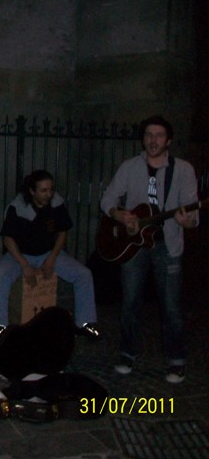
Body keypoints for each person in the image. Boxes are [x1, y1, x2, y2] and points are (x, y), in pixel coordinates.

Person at [100, 115, 198, 384]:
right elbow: (108, 198)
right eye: (149, 135)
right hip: (133, 247)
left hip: (168, 245)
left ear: (169, 140)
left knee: (171, 307)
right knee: (130, 302)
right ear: (143, 139)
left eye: (159, 136)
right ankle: (127, 353)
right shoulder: (130, 167)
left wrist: (186, 219)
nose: (153, 140)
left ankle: (176, 359)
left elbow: (192, 211)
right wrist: (119, 215)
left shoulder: (183, 170)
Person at [0, 170, 101, 341]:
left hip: (48, 252)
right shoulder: (17, 207)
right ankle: (0, 326)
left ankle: (85, 323)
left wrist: (52, 257)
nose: (49, 194)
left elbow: (62, 232)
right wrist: (24, 265)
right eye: (44, 190)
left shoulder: (56, 204)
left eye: (51, 189)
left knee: (83, 274)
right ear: (32, 191)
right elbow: (8, 239)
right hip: (20, 253)